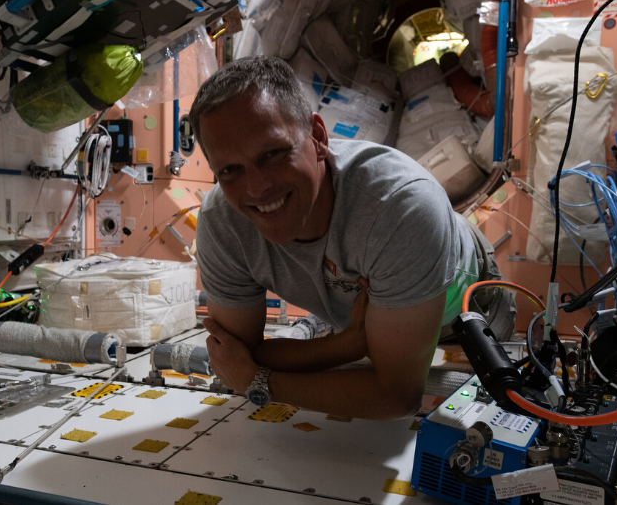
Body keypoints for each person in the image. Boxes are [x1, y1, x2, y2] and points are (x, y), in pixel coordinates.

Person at [190, 56, 515, 420]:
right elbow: (236, 355)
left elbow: (396, 395)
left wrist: (259, 382)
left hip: (468, 315)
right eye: (231, 170)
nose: (257, 187)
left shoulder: (399, 207)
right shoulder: (222, 222)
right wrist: (345, 345)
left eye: (273, 154)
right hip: (359, 326)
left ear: (317, 137)